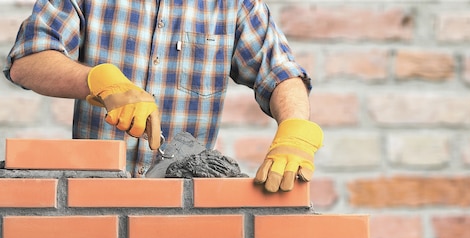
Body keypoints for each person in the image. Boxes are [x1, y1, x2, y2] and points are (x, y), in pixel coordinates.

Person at [3, 0, 323, 193]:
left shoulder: (234, 4)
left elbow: (281, 73)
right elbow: (27, 61)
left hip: (184, 214)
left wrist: (295, 128)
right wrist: (97, 80)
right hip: (90, 203)